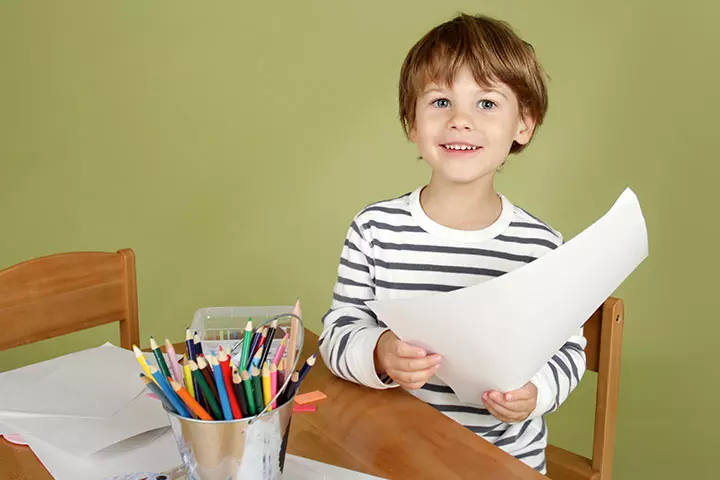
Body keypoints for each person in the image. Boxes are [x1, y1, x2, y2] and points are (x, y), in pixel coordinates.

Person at [318, 13, 586, 474]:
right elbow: (339, 330)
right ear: (412, 124)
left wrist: (536, 393)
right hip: (391, 453)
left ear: (523, 125)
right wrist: (379, 351)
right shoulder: (375, 229)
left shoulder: (542, 247)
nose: (460, 120)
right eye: (440, 101)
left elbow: (568, 350)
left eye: (486, 104)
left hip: (502, 462)